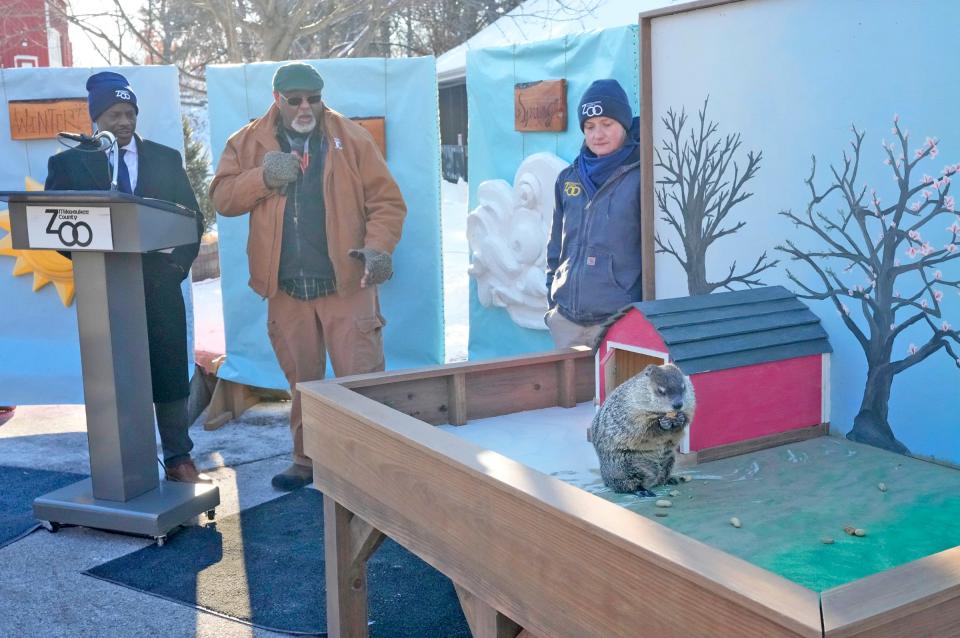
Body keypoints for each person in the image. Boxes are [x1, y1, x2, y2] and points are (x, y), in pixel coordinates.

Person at [209, 62, 406, 492]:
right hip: (285, 287)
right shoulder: (245, 142)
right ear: (276, 99)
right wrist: (262, 177)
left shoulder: (351, 137)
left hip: (346, 282)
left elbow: (387, 202)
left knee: (361, 379)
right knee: (303, 380)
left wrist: (378, 248)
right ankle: (306, 458)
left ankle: (368, 466)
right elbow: (222, 197)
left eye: (313, 98)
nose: (305, 106)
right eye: (294, 98)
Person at [45, 71, 210, 483]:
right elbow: (56, 224)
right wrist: (89, 261)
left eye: (130, 112)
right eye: (115, 113)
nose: (124, 121)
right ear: (96, 118)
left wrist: (176, 268)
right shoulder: (67, 163)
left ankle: (178, 458)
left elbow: (192, 219)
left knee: (169, 369)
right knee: (114, 373)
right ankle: (120, 462)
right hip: (104, 287)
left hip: (159, 283)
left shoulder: (164, 158)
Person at [545, 79, 642, 348]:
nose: (598, 134)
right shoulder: (568, 178)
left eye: (607, 124)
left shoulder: (642, 177)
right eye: (589, 126)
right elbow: (555, 244)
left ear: (623, 124)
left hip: (617, 320)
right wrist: (553, 296)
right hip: (566, 320)